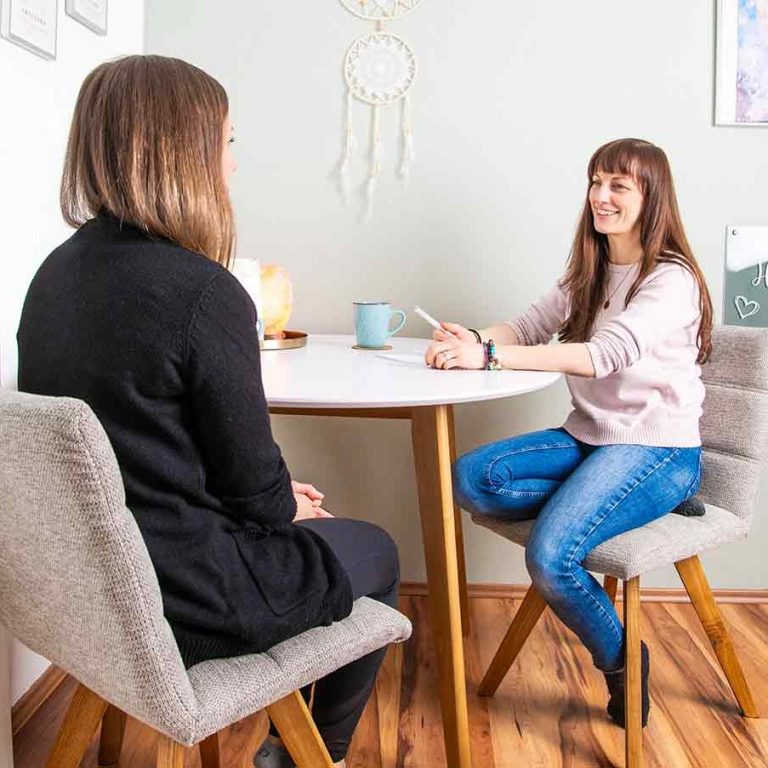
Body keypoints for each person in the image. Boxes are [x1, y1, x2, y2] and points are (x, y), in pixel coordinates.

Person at [16, 55, 399, 768]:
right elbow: (253, 489)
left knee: (307, 519)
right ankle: (308, 754)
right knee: (376, 549)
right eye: (226, 142)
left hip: (95, 600)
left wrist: (279, 501)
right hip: (189, 598)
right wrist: (287, 507)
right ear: (182, 151)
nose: (231, 163)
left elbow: (142, 452)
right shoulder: (203, 293)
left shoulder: (53, 277)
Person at [425, 138, 712, 728]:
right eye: (596, 182)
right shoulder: (592, 265)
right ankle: (595, 493)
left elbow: (604, 355)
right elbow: (529, 324)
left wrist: (492, 360)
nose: (601, 197)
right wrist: (474, 341)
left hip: (656, 448)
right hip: (590, 437)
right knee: (471, 479)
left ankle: (622, 660)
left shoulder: (671, 280)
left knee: (552, 555)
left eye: (618, 186)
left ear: (650, 197)